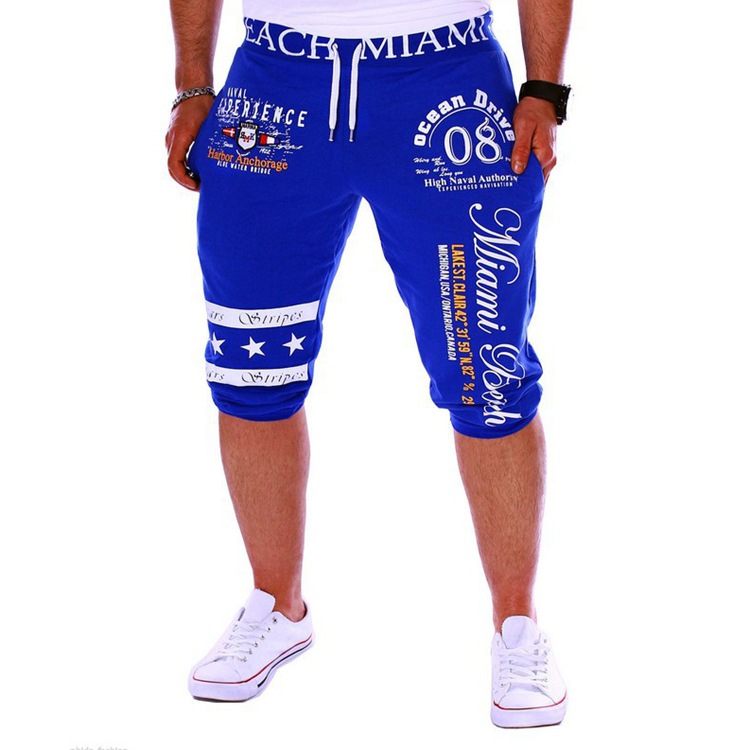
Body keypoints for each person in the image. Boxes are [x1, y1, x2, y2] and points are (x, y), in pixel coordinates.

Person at [166, 0, 572, 729]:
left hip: (441, 81)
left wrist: (544, 87)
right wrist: (192, 83)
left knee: (489, 377)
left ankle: (518, 626)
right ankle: (277, 605)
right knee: (251, 369)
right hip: (274, 88)